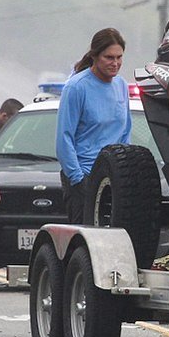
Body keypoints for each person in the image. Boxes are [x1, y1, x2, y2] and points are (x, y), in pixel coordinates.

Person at [56, 28, 131, 223]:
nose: (115, 63)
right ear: (94, 56)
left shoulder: (121, 85)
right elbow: (64, 138)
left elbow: (125, 133)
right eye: (109, 57)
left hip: (113, 176)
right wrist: (78, 179)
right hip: (84, 175)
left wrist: (123, 168)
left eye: (119, 57)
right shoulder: (76, 87)